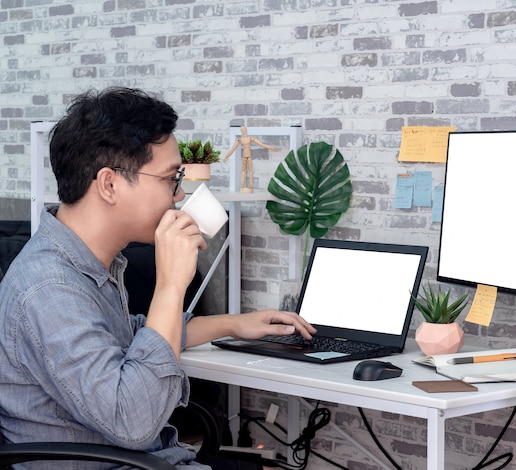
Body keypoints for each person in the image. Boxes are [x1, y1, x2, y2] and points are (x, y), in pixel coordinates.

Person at [0, 87, 316, 469]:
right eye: (171, 178)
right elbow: (133, 422)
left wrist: (233, 324)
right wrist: (170, 284)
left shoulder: (91, 263)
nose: (180, 194)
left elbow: (133, 336)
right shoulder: (49, 291)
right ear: (109, 184)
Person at [222, 126, 278, 193]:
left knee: (248, 171)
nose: (244, 132)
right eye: (243, 130)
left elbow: (262, 144)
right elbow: (232, 149)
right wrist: (226, 157)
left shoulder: (245, 139)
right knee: (245, 171)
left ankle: (249, 185)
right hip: (246, 156)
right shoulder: (241, 140)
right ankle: (243, 185)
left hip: (248, 156)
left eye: (244, 130)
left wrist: (271, 148)